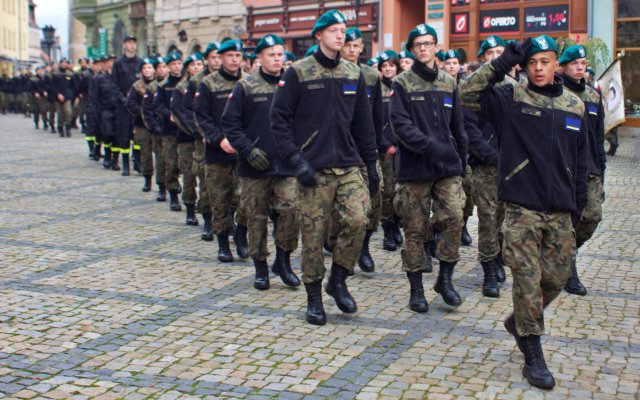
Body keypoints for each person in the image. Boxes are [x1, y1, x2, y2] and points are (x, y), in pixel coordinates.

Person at [460, 35, 588, 389]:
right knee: (528, 281)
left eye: (545, 61)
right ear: (525, 65)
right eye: (532, 62)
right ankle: (533, 353)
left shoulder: (573, 105)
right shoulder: (511, 97)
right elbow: (467, 95)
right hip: (520, 210)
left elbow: (580, 161)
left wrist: (578, 206)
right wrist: (503, 63)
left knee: (557, 279)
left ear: (556, 64)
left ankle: (519, 320)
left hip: (561, 211)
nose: (538, 68)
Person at [271, 10, 379, 325]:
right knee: (314, 235)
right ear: (318, 35)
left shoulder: (353, 73)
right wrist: (295, 160)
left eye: (343, 29)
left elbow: (363, 123)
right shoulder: (298, 72)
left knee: (359, 221)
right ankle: (314, 297)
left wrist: (371, 165)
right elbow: (278, 121)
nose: (340, 35)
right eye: (333, 30)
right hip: (312, 167)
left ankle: (339, 278)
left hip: (347, 165)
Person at [390, 24, 468, 314]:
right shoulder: (403, 83)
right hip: (415, 167)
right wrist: (430, 146)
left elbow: (458, 127)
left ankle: (445, 279)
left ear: (437, 47)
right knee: (415, 228)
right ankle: (416, 289)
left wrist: (462, 160)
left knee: (455, 217)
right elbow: (401, 127)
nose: (423, 48)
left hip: (447, 166)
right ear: (412, 50)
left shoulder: (449, 82)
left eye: (428, 43)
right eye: (418, 44)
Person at [222, 34, 301, 290]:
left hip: (286, 165)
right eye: (271, 54)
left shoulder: (292, 84)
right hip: (255, 166)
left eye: (280, 54)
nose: (277, 59)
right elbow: (230, 123)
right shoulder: (246, 87)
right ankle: (260, 267)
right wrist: (247, 149)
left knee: (290, 211)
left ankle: (284, 261)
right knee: (256, 217)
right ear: (260, 58)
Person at [331, 26, 384, 273]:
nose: (352, 51)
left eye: (356, 46)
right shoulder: (331, 73)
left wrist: (376, 149)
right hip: (338, 149)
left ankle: (363, 245)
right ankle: (338, 243)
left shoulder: (371, 76)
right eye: (348, 46)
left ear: (362, 48)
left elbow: (375, 116)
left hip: (364, 149)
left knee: (375, 196)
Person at [194, 39, 249, 262]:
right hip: (217, 153)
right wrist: (218, 139)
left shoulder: (248, 82)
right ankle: (223, 243)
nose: (234, 59)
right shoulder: (208, 84)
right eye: (229, 55)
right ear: (222, 58)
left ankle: (242, 234)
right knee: (220, 200)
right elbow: (202, 116)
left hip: (244, 152)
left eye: (238, 55)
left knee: (245, 198)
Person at [559, 45, 606, 296]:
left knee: (592, 217)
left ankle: (564, 253)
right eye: (575, 63)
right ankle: (570, 269)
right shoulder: (558, 94)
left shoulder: (593, 97)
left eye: (583, 63)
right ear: (564, 67)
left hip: (591, 169)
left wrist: (602, 174)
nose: (580, 67)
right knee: (570, 220)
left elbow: (598, 140)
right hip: (566, 169)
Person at [183, 42, 221, 241]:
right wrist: (201, 132)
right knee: (206, 182)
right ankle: (208, 220)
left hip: (227, 139)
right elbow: (189, 112)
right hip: (204, 141)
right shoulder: (197, 81)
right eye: (213, 57)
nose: (217, 60)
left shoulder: (235, 79)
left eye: (219, 56)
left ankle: (226, 222)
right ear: (207, 59)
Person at [443, 48, 474, 246]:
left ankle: (463, 224)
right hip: (445, 146)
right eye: (448, 63)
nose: (452, 66)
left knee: (468, 187)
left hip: (465, 145)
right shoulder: (440, 85)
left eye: (455, 62)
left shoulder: (467, 87)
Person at [171, 52, 204, 225]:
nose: (197, 68)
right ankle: (190, 207)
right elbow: (179, 112)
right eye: (193, 65)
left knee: (205, 176)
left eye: (199, 64)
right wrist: (194, 130)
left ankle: (207, 210)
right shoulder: (181, 87)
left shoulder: (206, 83)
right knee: (189, 174)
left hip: (205, 138)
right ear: (188, 68)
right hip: (187, 137)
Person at [377, 50, 402, 253]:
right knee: (388, 190)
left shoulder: (402, 87)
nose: (388, 69)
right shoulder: (378, 90)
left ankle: (397, 225)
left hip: (404, 147)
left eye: (391, 65)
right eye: (384, 66)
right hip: (386, 149)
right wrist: (385, 145)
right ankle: (387, 228)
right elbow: (374, 121)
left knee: (402, 190)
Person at [154, 52, 184, 211]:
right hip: (169, 130)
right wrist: (169, 115)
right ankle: (173, 194)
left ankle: (188, 194)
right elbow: (157, 105)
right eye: (173, 64)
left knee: (186, 164)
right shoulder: (163, 85)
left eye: (179, 63)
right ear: (168, 66)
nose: (177, 66)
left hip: (185, 130)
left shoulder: (188, 83)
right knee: (170, 163)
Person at [112, 35, 143, 176]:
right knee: (124, 135)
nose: (131, 45)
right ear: (124, 45)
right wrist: (122, 99)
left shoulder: (140, 62)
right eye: (129, 43)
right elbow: (115, 84)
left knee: (137, 136)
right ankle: (125, 164)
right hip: (123, 106)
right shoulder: (118, 63)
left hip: (137, 105)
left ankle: (138, 163)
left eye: (133, 43)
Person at [126, 57, 157, 192]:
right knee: (145, 153)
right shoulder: (137, 86)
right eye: (145, 68)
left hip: (157, 123)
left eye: (150, 67)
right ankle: (147, 179)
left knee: (161, 154)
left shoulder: (159, 85)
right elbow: (130, 104)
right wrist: (143, 112)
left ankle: (162, 182)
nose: (147, 70)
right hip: (141, 124)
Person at [142, 57, 169, 201]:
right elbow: (147, 110)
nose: (163, 70)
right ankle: (162, 187)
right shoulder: (152, 87)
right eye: (160, 67)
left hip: (174, 129)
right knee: (161, 159)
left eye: (165, 66)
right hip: (159, 129)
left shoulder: (174, 85)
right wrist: (155, 126)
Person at [93, 55, 120, 169]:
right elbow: (95, 96)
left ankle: (115, 160)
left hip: (118, 110)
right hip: (105, 110)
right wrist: (95, 112)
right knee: (108, 133)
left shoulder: (119, 78)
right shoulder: (100, 79)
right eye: (110, 61)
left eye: (114, 61)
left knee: (118, 136)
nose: (112, 63)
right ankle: (107, 154)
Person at [50, 58, 75, 137]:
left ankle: (68, 127)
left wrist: (70, 94)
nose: (64, 64)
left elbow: (73, 86)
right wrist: (58, 94)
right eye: (63, 63)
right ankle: (60, 128)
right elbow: (52, 86)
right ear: (60, 64)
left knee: (68, 112)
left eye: (65, 63)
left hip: (67, 96)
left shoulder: (70, 74)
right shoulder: (55, 74)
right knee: (60, 113)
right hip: (58, 97)